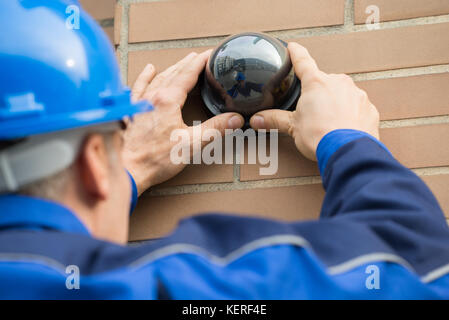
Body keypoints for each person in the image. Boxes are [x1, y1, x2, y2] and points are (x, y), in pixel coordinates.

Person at [0, 1, 448, 299]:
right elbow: (416, 266)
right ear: (94, 164)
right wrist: (349, 141)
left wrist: (122, 166)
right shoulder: (165, 287)